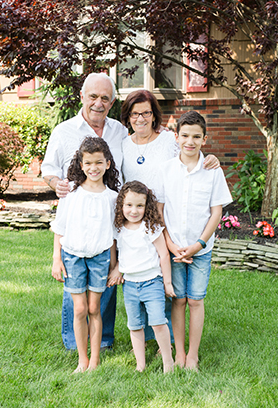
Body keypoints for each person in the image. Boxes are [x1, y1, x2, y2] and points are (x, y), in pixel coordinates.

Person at [120, 89, 220, 344]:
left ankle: (166, 339)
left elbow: (191, 151)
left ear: (154, 115)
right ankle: (145, 337)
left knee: (164, 282)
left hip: (163, 220)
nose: (140, 118)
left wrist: (211, 159)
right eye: (134, 113)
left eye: (146, 112)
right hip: (135, 219)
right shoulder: (122, 144)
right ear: (128, 116)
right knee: (139, 275)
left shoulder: (167, 139)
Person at [42, 73, 126, 350]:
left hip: (109, 214)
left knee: (105, 284)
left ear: (112, 102)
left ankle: (103, 340)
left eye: (105, 98)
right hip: (76, 218)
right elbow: (49, 170)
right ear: (82, 97)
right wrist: (57, 185)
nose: (98, 103)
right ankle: (73, 341)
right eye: (93, 96)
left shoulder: (120, 131)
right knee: (75, 287)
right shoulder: (64, 131)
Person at [153, 111, 232, 371]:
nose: (190, 141)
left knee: (195, 300)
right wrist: (171, 244)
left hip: (200, 249)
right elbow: (160, 210)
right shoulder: (166, 170)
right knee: (178, 300)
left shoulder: (212, 171)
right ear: (176, 137)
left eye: (196, 136)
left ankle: (193, 356)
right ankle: (178, 353)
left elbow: (216, 212)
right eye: (185, 135)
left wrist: (198, 244)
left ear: (204, 139)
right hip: (174, 248)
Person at [50, 137, 120, 372]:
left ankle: (95, 360)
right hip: (72, 256)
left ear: (108, 163)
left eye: (99, 162)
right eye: (88, 163)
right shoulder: (70, 191)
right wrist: (56, 259)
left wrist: (114, 265)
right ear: (80, 164)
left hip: (100, 258)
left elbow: (113, 235)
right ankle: (82, 359)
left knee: (94, 308)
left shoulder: (112, 197)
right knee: (79, 309)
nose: (93, 168)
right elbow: (60, 227)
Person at [115, 181, 175, 373]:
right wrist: (117, 269)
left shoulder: (150, 227)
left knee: (158, 322)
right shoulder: (119, 228)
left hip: (152, 282)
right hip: (130, 285)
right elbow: (121, 254)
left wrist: (167, 283)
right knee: (135, 325)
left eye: (140, 206)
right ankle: (140, 364)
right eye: (129, 205)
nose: (134, 210)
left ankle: (168, 362)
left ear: (146, 206)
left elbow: (164, 255)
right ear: (121, 206)